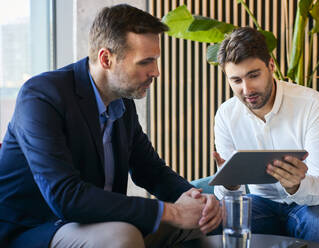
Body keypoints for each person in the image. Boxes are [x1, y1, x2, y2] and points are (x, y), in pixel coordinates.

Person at [0, 4, 221, 248]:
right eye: (145, 62)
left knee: (206, 222)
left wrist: (196, 200)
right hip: (35, 228)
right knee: (122, 237)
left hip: (98, 223)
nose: (156, 72)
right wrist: (173, 212)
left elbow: (151, 171)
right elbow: (65, 196)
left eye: (156, 60)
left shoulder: (122, 103)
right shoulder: (41, 96)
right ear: (106, 59)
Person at [213, 27, 319, 248]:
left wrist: (296, 186)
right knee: (217, 223)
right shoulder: (226, 115)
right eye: (236, 80)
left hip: (311, 203)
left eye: (254, 75)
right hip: (259, 204)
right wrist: (230, 184)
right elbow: (226, 196)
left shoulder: (312, 104)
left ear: (271, 66)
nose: (247, 89)